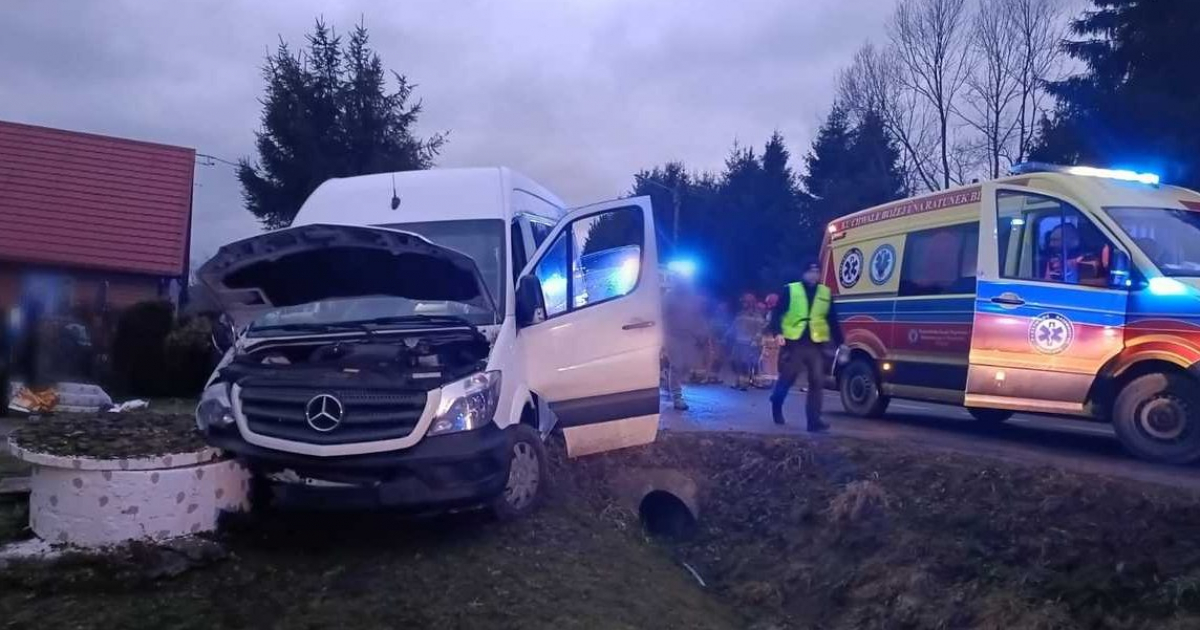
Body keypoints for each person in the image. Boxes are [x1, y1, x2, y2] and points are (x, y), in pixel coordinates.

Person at [766, 261, 848, 431]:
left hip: (815, 343)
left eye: (817, 271)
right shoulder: (791, 290)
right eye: (810, 271)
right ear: (803, 273)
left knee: (817, 380)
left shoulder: (825, 293)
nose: (813, 274)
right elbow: (777, 313)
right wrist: (778, 332)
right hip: (794, 341)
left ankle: (813, 420)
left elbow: (832, 319)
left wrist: (841, 342)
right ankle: (777, 401)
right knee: (789, 376)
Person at [662, 274, 707, 411]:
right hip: (672, 335)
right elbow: (662, 314)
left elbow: (698, 317)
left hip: (688, 336)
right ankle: (677, 397)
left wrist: (702, 333)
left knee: (686, 366)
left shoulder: (692, 298)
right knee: (677, 365)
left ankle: (668, 378)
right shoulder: (669, 296)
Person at [728, 293, 763, 390]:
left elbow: (759, 330)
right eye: (743, 302)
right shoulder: (740, 313)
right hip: (738, 342)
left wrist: (755, 341)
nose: (743, 303)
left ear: (751, 303)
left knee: (745, 363)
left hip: (748, 343)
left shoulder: (757, 315)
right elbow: (734, 326)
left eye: (745, 302)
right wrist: (727, 335)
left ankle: (744, 383)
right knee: (734, 361)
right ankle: (738, 381)